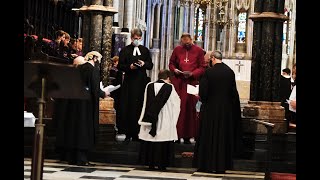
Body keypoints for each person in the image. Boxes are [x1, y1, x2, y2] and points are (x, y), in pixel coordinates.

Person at [53, 51, 109, 166]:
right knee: (84, 130)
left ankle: (73, 158)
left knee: (76, 129)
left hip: (76, 104)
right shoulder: (92, 69)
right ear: (94, 58)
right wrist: (104, 93)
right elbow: (94, 89)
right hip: (87, 105)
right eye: (98, 59)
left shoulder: (78, 69)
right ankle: (82, 159)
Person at [193, 51, 243, 174]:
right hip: (225, 111)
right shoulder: (230, 72)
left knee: (208, 136)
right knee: (222, 137)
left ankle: (206, 164)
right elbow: (233, 93)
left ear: (213, 58)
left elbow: (203, 93)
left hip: (210, 109)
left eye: (210, 59)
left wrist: (199, 95)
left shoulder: (208, 72)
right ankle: (221, 165)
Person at [137, 69, 181, 171]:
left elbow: (145, 102)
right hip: (164, 118)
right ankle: (162, 165)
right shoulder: (170, 87)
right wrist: (173, 120)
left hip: (149, 118)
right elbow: (176, 103)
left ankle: (150, 164)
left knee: (150, 140)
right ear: (168, 78)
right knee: (162, 139)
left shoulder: (149, 85)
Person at [169, 33, 206, 144]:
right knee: (178, 108)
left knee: (191, 109)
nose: (186, 43)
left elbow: (202, 67)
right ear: (181, 41)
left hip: (192, 83)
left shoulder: (199, 51)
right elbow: (171, 63)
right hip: (179, 83)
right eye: (184, 42)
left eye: (188, 41)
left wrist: (193, 74)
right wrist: (175, 70)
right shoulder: (177, 49)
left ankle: (189, 135)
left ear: (191, 40)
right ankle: (177, 134)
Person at [118, 28, 154, 141]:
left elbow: (150, 65)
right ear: (131, 38)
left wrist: (143, 63)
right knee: (129, 107)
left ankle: (139, 132)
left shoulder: (145, 50)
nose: (137, 40)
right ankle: (128, 132)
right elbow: (120, 66)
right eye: (135, 38)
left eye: (139, 38)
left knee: (140, 106)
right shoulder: (125, 50)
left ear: (141, 38)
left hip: (141, 82)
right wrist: (130, 67)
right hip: (129, 82)